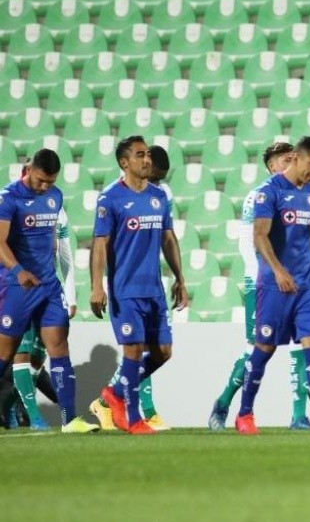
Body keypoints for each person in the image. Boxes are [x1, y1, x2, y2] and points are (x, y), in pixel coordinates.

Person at [235, 136, 310, 435]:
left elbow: (306, 235)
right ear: (296, 159)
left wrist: (306, 270)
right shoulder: (268, 192)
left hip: (306, 284)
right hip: (275, 284)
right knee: (264, 348)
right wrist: (278, 271)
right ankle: (245, 413)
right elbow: (260, 236)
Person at [208, 142, 310, 431]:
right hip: (265, 285)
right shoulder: (260, 195)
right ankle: (224, 402)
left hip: (295, 285)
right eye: (284, 159)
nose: (291, 160)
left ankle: (299, 416)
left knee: (302, 347)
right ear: (272, 167)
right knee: (256, 349)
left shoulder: (301, 195)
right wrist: (268, 277)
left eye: (293, 156)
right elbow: (248, 243)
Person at [92, 137, 188, 435]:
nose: (147, 160)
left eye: (147, 154)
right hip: (125, 288)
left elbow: (168, 239)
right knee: (132, 350)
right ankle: (133, 419)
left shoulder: (159, 196)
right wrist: (96, 286)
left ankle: (115, 394)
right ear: (124, 162)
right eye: (140, 155)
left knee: (163, 352)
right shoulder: (110, 198)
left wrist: (180, 279)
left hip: (154, 289)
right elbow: (99, 245)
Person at [0, 149, 98, 433]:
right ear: (29, 169)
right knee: (5, 354)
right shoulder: (9, 198)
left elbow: (56, 242)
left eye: (50, 181)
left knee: (59, 347)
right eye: (41, 180)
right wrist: (19, 271)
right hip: (16, 286)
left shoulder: (55, 197)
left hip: (48, 286)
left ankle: (70, 420)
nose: (45, 186)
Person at [8, 179, 78, 430]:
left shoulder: (58, 209)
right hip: (20, 289)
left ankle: (15, 402)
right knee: (22, 352)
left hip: (48, 288)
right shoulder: (12, 204)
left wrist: (71, 296)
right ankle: (35, 417)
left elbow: (65, 253)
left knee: (39, 356)